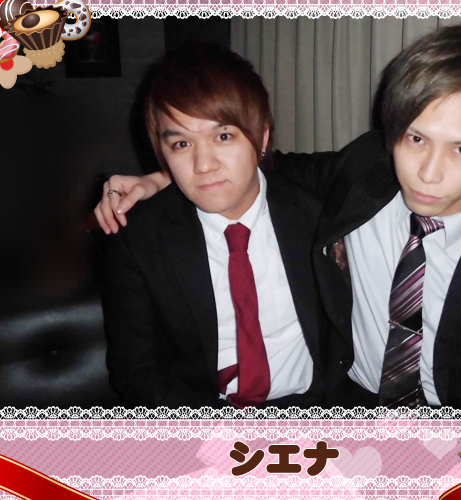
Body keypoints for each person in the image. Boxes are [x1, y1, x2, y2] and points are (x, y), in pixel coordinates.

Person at [96, 26, 461, 409]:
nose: (429, 173)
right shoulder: (361, 176)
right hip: (339, 410)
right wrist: (160, 178)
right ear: (392, 134)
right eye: (416, 139)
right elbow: (259, 167)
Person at [102, 39, 330, 408]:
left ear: (262, 137)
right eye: (181, 145)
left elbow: (378, 156)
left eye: (223, 136)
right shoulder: (139, 238)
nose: (204, 165)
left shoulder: (315, 210)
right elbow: (137, 372)